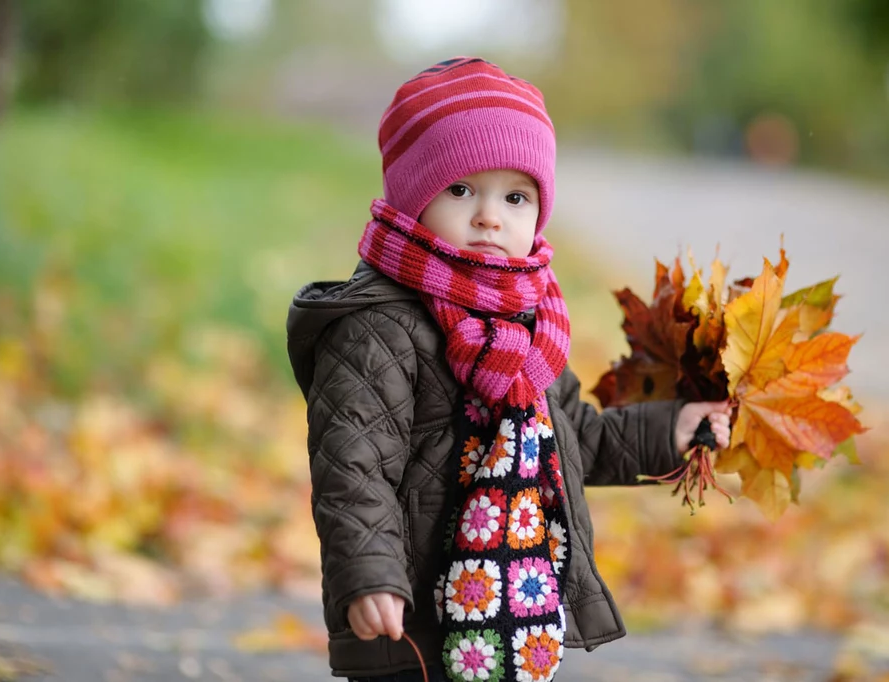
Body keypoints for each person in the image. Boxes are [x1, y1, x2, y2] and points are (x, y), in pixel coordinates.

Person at [286, 57, 731, 682]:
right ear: (412, 198)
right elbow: (353, 468)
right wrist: (369, 576)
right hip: (412, 612)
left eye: (515, 197)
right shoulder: (376, 327)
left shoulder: (529, 329)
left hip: (510, 609)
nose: (490, 216)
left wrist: (671, 430)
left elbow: (575, 438)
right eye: (461, 189)